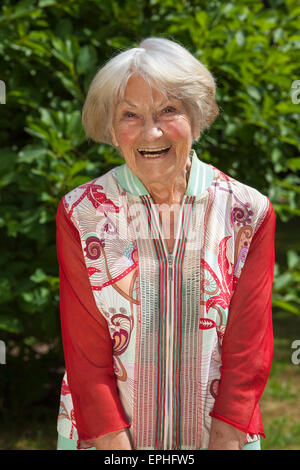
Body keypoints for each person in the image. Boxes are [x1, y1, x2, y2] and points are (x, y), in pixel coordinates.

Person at [56, 37, 275, 450]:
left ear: (196, 116)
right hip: (107, 440)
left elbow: (249, 354)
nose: (151, 131)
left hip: (219, 437)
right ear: (111, 127)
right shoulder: (81, 212)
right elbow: (86, 358)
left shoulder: (248, 211)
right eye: (130, 115)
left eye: (168, 110)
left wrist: (226, 443)